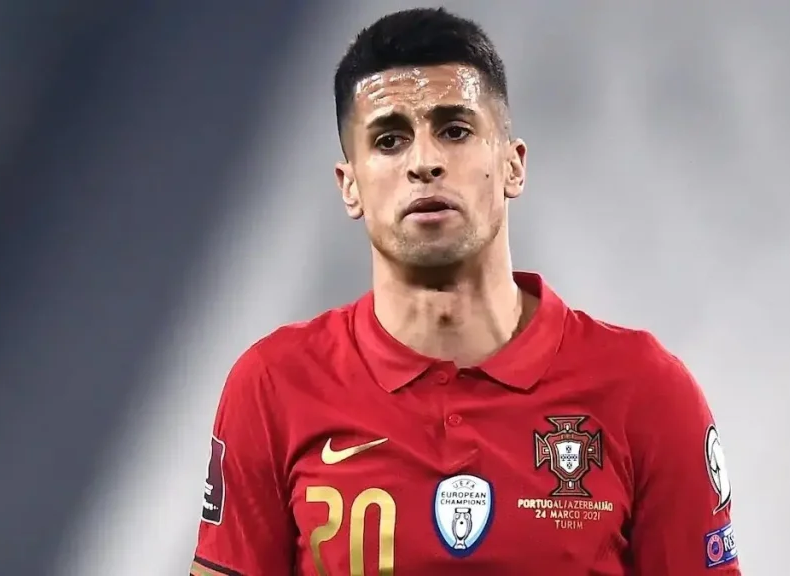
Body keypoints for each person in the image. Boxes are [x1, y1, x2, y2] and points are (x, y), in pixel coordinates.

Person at [191, 7, 740, 576]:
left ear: (513, 165)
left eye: (454, 131)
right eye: (389, 140)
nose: (425, 163)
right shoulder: (273, 387)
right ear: (349, 186)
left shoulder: (645, 391)